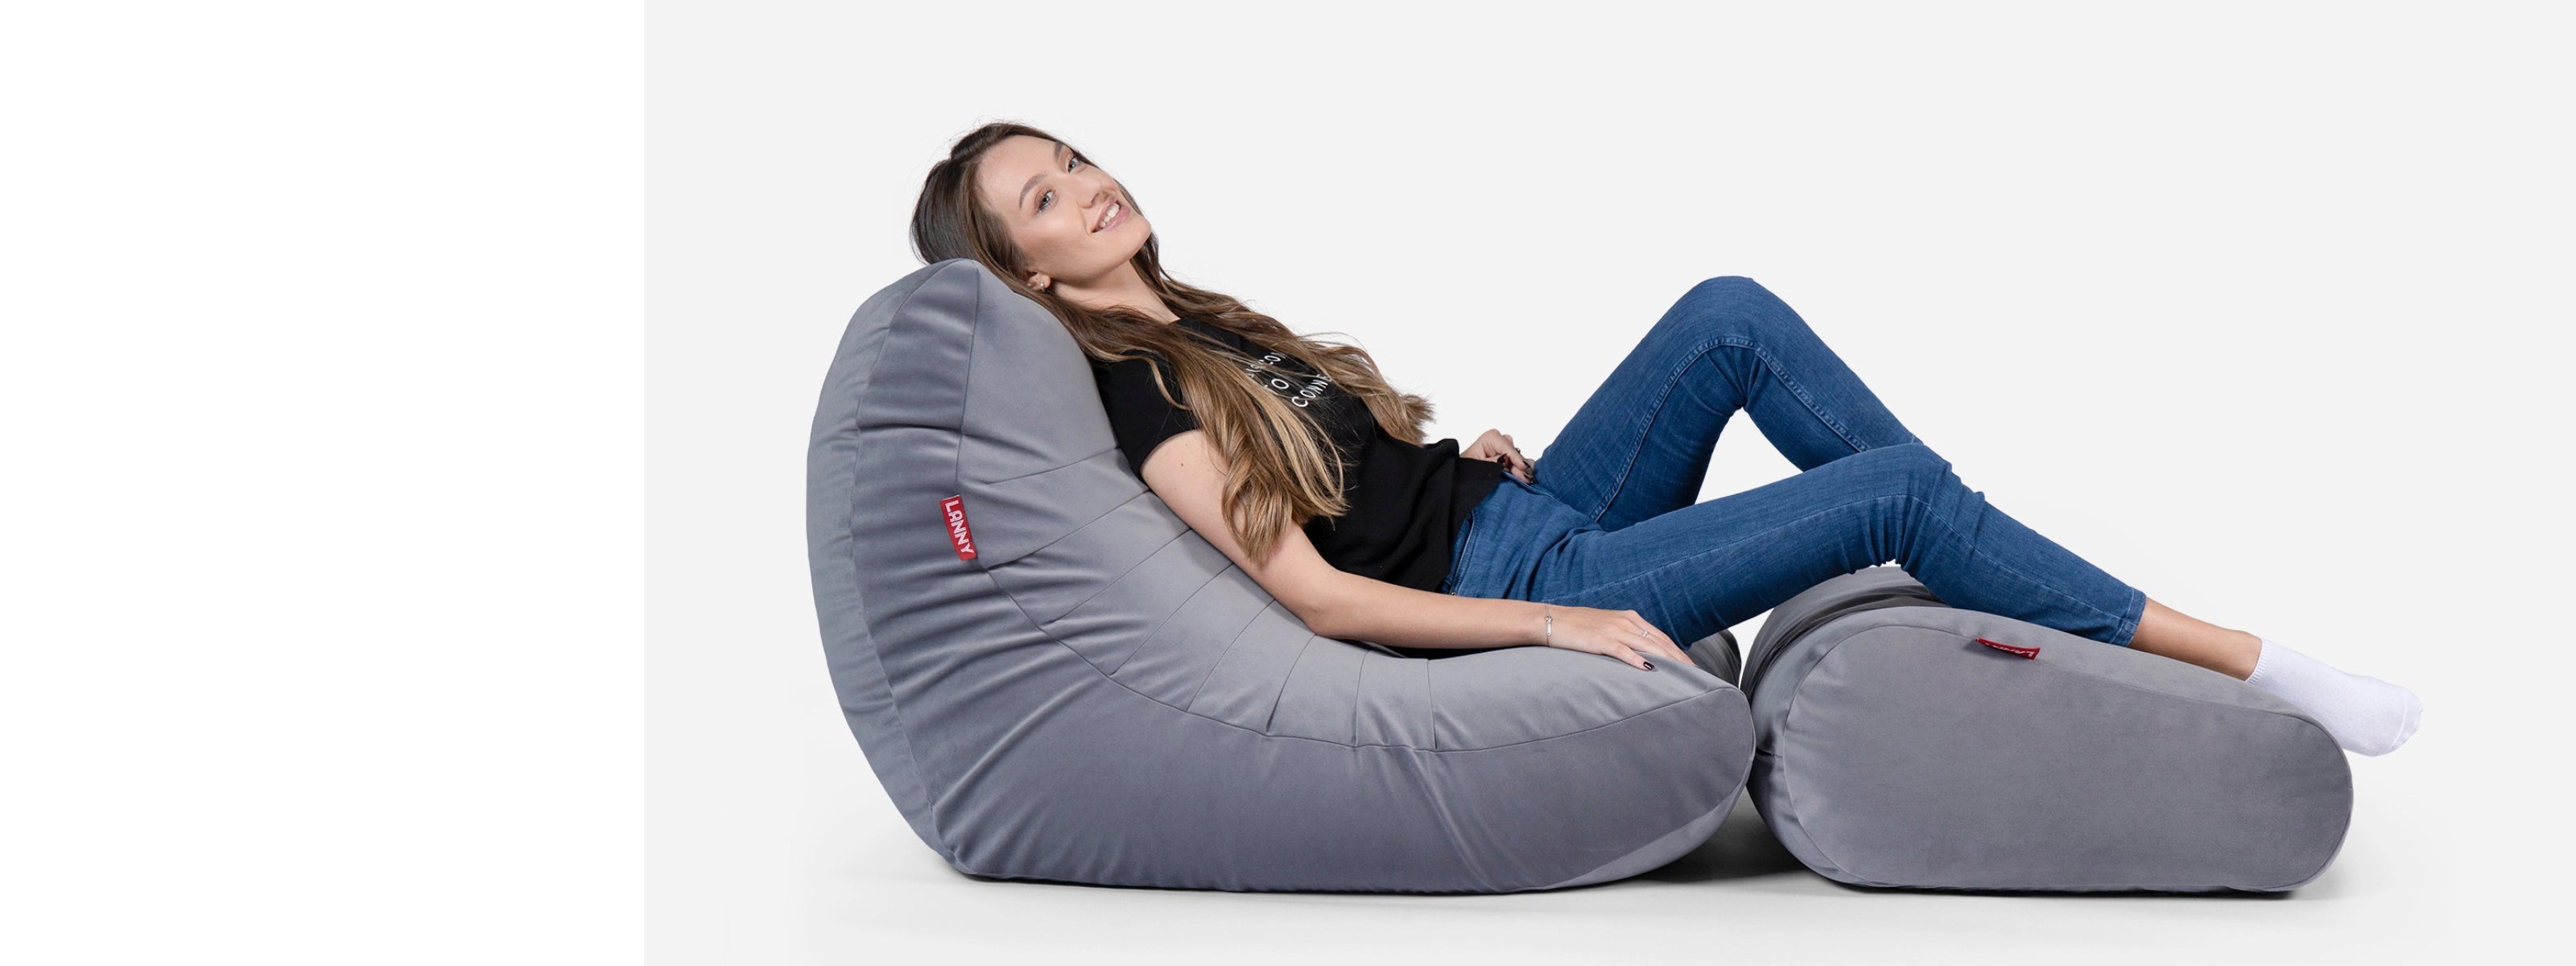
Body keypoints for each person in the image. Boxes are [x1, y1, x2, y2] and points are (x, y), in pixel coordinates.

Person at [906, 122, 2421, 756]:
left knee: (1728, 309)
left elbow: (1353, 486)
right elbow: (1313, 596)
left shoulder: (1202, 322)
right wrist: (1555, 620)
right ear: (1026, 272)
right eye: (1044, 200)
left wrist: (1455, 453)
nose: (1087, 187)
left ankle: (1969, 563)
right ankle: (2245, 658)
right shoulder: (1133, 390)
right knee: (1884, 489)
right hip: (1521, 584)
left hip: (1520, 510)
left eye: (1075, 159)